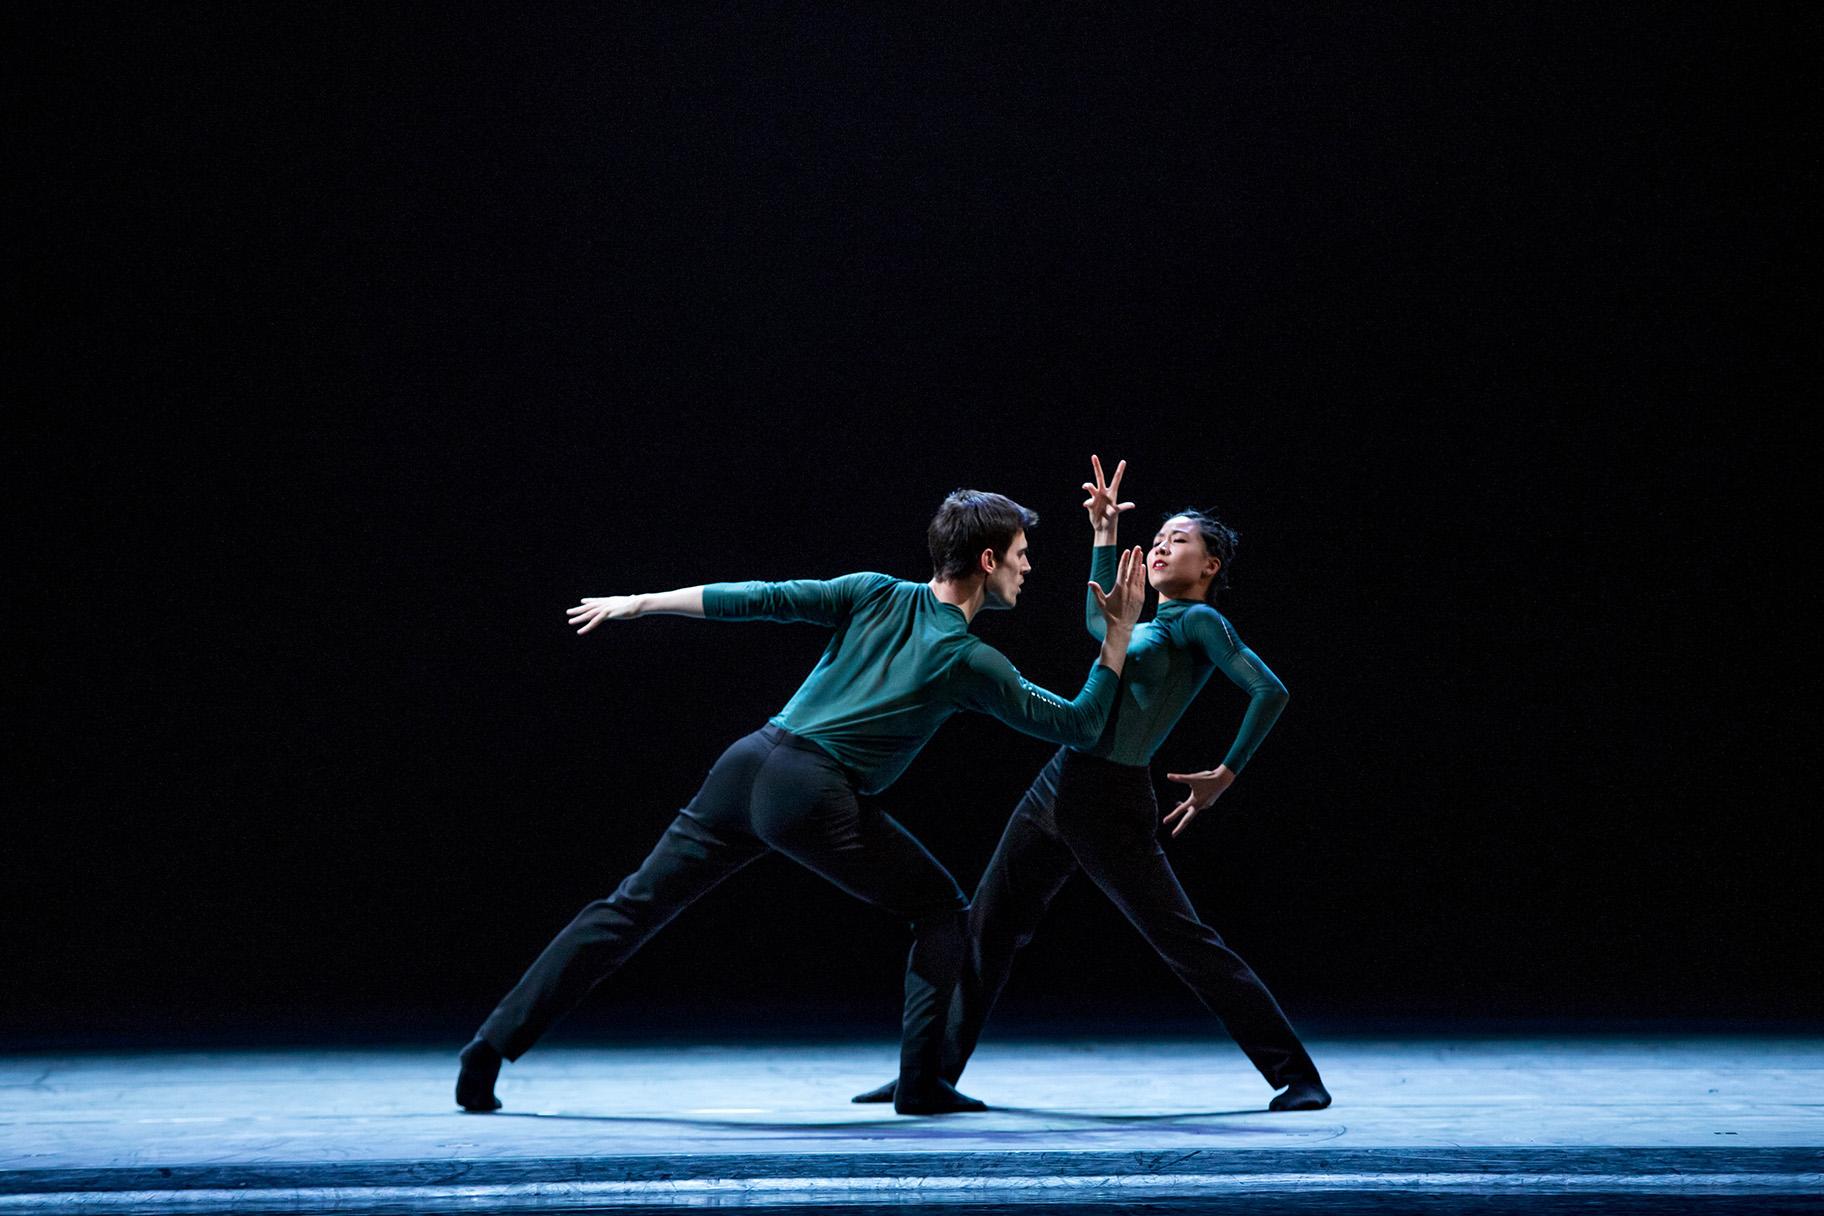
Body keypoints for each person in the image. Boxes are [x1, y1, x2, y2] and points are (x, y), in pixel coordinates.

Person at [455, 489, 1147, 1116]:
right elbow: (1082, 725)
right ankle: (919, 1085)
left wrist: (641, 602)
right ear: (987, 559)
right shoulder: (969, 660)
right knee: (941, 912)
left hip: (747, 763)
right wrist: (1117, 636)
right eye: (1022, 557)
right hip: (811, 789)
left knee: (628, 909)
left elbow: (762, 596)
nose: (1028, 570)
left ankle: (488, 1049)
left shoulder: (875, 590)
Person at [854, 458, 1330, 1112]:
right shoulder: (1143, 622)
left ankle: (1296, 1076)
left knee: (1184, 942)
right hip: (1062, 779)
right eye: (1158, 537)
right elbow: (1096, 624)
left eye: (1180, 540)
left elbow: (1268, 690)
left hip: (1109, 799)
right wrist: (1104, 534)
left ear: (1209, 567)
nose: (1163, 545)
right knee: (988, 926)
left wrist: (1224, 774)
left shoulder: (1198, 623)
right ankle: (928, 1075)